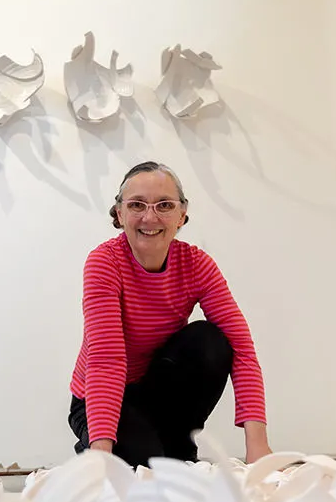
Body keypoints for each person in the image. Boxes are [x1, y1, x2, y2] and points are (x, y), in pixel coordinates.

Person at [67, 161, 272, 468]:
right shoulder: (104, 263)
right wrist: (102, 458)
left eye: (164, 205)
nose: (150, 217)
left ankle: (175, 443)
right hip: (101, 398)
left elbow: (241, 348)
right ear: (120, 214)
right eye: (137, 204)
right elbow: (105, 359)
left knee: (210, 340)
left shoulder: (197, 265)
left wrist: (258, 447)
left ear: (182, 215)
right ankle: (101, 445)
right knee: (143, 471)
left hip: (155, 393)